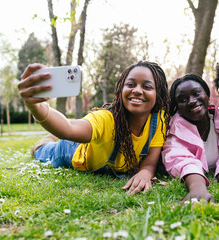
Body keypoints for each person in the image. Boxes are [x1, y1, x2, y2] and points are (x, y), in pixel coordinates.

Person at [17, 61, 170, 194]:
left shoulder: (159, 120)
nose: (136, 90)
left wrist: (145, 173)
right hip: (72, 152)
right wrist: (35, 106)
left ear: (159, 94)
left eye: (147, 86)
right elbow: (68, 128)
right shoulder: (106, 119)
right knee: (44, 152)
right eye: (130, 84)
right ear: (121, 89)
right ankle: (44, 142)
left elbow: (150, 161)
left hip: (89, 143)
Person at [161, 74, 219, 203]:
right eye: (182, 100)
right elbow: (180, 160)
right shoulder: (175, 129)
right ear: (177, 105)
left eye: (196, 93)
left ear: (207, 95)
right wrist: (197, 188)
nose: (191, 101)